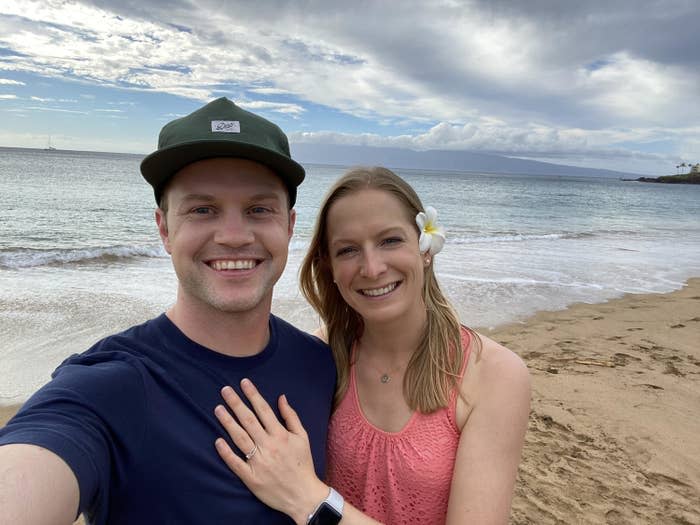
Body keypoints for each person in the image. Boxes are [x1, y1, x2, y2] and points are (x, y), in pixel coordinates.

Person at [0, 97, 336, 524]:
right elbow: (33, 463)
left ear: (289, 226)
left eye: (258, 209)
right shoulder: (111, 385)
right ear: (164, 228)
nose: (233, 236)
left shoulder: (322, 366)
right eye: (202, 209)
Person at [213, 167, 531, 524]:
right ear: (329, 267)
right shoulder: (320, 358)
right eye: (348, 250)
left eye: (390, 241)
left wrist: (312, 499)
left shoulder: (492, 374)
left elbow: (300, 492)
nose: (373, 267)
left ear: (425, 248)